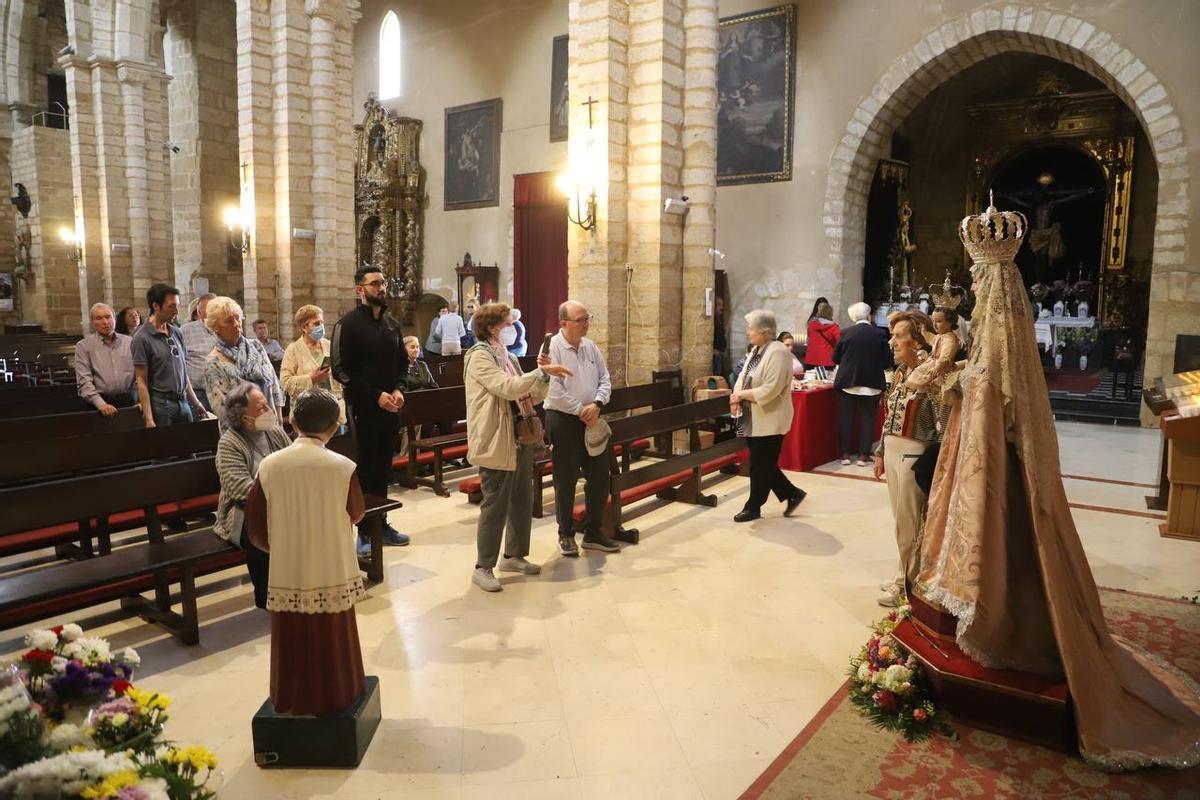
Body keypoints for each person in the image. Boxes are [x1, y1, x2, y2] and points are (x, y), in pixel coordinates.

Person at [914, 200, 1200, 769]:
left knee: (1013, 541)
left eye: (976, 277)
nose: (971, 284)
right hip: (986, 453)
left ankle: (1006, 620)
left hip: (1003, 462)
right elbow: (986, 383)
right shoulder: (1000, 329)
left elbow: (996, 394)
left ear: (993, 284)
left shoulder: (1001, 332)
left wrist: (955, 385)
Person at [245, 388, 369, 716]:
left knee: (292, 635)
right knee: (334, 633)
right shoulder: (342, 467)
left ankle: (291, 698)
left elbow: (256, 528)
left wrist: (286, 546)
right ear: (333, 427)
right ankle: (339, 694)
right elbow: (357, 512)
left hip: (289, 566)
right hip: (332, 562)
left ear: (293, 421)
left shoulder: (270, 466)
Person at [464, 302, 572, 591]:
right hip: (496, 436)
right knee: (495, 504)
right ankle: (482, 566)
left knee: (522, 498)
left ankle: (513, 555)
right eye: (507, 323)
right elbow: (506, 388)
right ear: (492, 327)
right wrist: (538, 374)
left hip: (520, 434)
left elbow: (530, 395)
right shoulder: (479, 357)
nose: (512, 327)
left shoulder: (507, 356)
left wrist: (544, 375)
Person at [331, 265, 409, 551]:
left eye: (383, 282)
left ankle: (381, 523)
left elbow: (403, 363)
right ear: (359, 289)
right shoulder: (347, 325)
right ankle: (364, 531)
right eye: (375, 283)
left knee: (383, 468)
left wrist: (399, 389)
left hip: (390, 407)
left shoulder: (391, 323)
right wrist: (375, 395)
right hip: (363, 408)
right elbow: (340, 370)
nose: (382, 287)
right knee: (365, 469)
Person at [546, 300, 628, 555]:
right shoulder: (552, 347)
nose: (586, 324)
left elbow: (605, 378)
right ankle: (565, 533)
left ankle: (593, 531)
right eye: (580, 320)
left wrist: (597, 403)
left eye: (587, 318)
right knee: (566, 479)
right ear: (564, 323)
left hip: (592, 417)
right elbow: (553, 390)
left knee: (599, 476)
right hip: (563, 420)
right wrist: (581, 410)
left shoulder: (590, 346)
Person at [871, 309, 940, 608]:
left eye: (899, 336)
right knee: (900, 520)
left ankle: (907, 586)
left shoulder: (931, 372)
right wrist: (880, 451)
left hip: (914, 449)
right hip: (894, 448)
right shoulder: (900, 372)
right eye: (892, 336)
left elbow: (941, 417)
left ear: (917, 340)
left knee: (910, 522)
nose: (892, 342)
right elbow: (889, 416)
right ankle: (903, 574)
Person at [214, 382, 290, 609]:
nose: (268, 410)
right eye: (261, 407)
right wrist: (281, 498)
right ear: (245, 418)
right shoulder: (229, 443)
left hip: (281, 504)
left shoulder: (274, 432)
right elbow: (240, 489)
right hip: (242, 512)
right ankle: (266, 596)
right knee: (262, 527)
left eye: (267, 404)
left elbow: (293, 464)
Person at [729, 309, 806, 522]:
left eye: (751, 328)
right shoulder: (757, 349)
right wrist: (736, 395)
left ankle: (753, 507)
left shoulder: (778, 352)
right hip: (753, 417)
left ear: (764, 331)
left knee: (760, 464)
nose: (748, 332)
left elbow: (771, 389)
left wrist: (741, 394)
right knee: (762, 463)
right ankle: (792, 493)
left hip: (770, 418)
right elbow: (743, 375)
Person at [131, 283, 208, 427]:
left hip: (183, 401)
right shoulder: (142, 337)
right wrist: (149, 418)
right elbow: (141, 381)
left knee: (190, 445)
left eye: (177, 306)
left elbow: (183, 372)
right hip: (161, 404)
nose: (176, 311)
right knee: (167, 446)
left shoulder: (176, 332)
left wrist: (196, 402)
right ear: (156, 306)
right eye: (171, 306)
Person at [203, 296, 284, 428]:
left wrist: (278, 419)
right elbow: (223, 408)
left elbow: (273, 382)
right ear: (215, 327)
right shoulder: (214, 361)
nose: (236, 324)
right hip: (241, 431)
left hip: (271, 423)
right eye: (229, 321)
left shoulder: (256, 346)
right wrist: (256, 425)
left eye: (237, 318)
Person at [832, 301, 891, 466]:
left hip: (847, 381)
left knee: (846, 418)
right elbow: (887, 361)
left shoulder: (845, 333)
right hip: (872, 382)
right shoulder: (879, 333)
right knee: (868, 419)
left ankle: (845, 454)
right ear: (868, 315)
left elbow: (835, 358)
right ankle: (864, 455)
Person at [280, 304, 345, 426]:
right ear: (304, 327)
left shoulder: (329, 345)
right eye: (316, 323)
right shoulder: (293, 349)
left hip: (332, 411)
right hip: (307, 413)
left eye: (322, 323)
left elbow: (341, 372)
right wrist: (311, 378)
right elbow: (285, 382)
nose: (321, 327)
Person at [75, 302, 136, 415]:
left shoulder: (130, 342)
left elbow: (139, 375)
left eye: (108, 317)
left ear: (115, 319)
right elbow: (84, 381)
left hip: (128, 402)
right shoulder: (83, 346)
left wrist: (139, 399)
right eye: (99, 318)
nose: (105, 322)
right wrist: (101, 404)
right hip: (98, 405)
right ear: (93, 322)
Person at [180, 293, 217, 411]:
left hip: (222, 391)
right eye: (210, 309)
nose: (215, 312)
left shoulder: (225, 327)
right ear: (200, 312)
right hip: (198, 393)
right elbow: (180, 363)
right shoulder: (186, 330)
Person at [805, 301, 841, 373]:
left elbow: (809, 337)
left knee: (810, 382)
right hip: (827, 361)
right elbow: (839, 342)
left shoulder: (811, 325)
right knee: (826, 383)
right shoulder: (834, 327)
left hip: (811, 359)